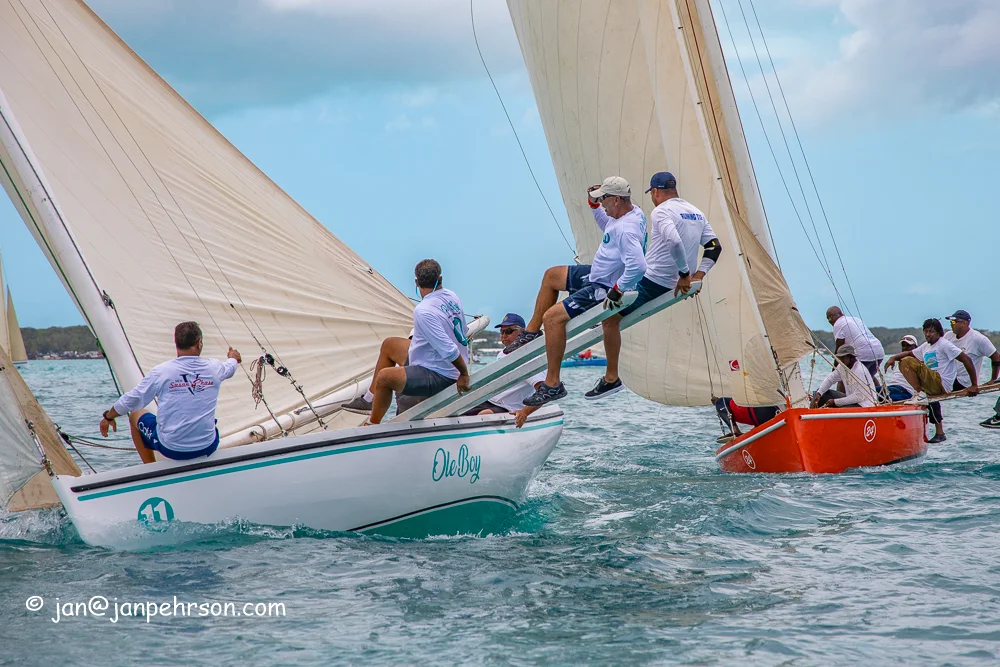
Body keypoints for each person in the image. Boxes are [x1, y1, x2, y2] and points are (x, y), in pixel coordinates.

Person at [508, 176, 647, 407]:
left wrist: (617, 289)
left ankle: (552, 385)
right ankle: (531, 332)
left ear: (616, 200)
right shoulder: (630, 213)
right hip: (597, 274)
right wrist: (594, 208)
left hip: (603, 287)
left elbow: (639, 266)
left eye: (603, 199)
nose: (601, 202)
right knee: (552, 275)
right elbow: (607, 226)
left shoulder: (627, 229)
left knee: (552, 318)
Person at [587, 172, 722, 400]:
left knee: (609, 317)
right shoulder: (696, 212)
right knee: (610, 296)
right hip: (667, 284)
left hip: (652, 282)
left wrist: (684, 275)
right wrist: (698, 276)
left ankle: (611, 378)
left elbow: (674, 241)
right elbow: (714, 247)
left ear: (656, 192)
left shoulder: (660, 211)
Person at [98, 321, 241, 463]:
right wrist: (233, 358)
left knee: (135, 415)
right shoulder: (214, 368)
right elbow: (230, 366)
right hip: (208, 445)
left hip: (172, 449)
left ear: (176, 343)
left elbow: (132, 400)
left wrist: (109, 416)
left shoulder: (161, 372)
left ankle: (150, 470)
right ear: (199, 343)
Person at [367, 259, 470, 425]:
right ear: (441, 279)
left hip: (441, 374)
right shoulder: (452, 296)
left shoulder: (423, 310)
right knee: (390, 344)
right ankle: (369, 398)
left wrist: (464, 375)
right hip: (438, 362)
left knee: (385, 377)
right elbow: (463, 331)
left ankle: (371, 425)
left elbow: (450, 351)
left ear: (416, 282)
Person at [884, 318, 979, 443]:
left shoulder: (944, 344)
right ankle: (940, 433)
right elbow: (911, 352)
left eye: (932, 331)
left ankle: (918, 393)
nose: (928, 334)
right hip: (932, 383)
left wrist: (974, 385)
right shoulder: (926, 346)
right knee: (906, 360)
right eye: (926, 331)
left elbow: (966, 359)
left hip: (941, 382)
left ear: (939, 333)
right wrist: (893, 357)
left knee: (906, 361)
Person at [461, 313, 546, 428]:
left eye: (509, 331)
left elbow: (543, 392)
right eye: (502, 332)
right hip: (488, 401)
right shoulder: (503, 353)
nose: (504, 335)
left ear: (521, 332)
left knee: (485, 414)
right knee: (454, 411)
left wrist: (525, 412)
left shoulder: (528, 359)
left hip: (508, 408)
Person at [826, 306, 884, 385]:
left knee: (843, 377)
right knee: (868, 377)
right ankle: (880, 396)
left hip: (863, 353)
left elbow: (839, 348)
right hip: (879, 351)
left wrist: (835, 369)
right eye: (828, 318)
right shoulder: (855, 319)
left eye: (831, 316)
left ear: (840, 314)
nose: (830, 320)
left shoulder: (838, 324)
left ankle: (842, 397)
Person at [943, 309, 1000, 390]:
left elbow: (996, 357)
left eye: (954, 322)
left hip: (963, 382)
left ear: (964, 323)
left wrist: (993, 379)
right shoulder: (948, 335)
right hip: (949, 376)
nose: (951, 325)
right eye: (951, 322)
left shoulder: (978, 339)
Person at [811, 345, 879, 409]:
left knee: (840, 410)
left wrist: (835, 402)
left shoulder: (859, 370)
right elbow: (830, 379)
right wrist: (819, 393)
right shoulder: (842, 366)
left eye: (843, 357)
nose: (840, 360)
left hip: (864, 405)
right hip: (852, 400)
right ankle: (810, 414)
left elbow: (859, 397)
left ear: (851, 357)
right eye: (839, 358)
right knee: (823, 394)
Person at [713, 395, 780, 443]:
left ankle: (735, 431)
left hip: (758, 411)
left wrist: (717, 402)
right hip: (775, 411)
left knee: (720, 402)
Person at [885, 335, 919, 401]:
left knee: (874, 391)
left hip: (905, 392)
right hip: (893, 388)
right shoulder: (900, 360)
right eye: (903, 345)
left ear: (915, 347)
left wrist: (893, 358)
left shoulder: (917, 360)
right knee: (871, 390)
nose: (905, 348)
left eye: (908, 345)